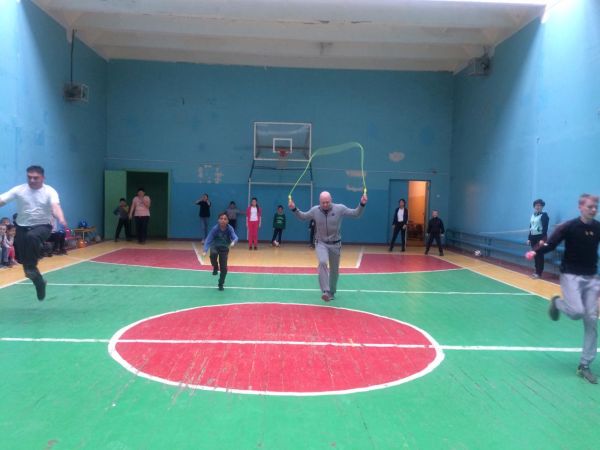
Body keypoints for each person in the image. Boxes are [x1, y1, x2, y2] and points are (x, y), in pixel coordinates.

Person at [525, 194, 600, 384]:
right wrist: (535, 251)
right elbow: (551, 244)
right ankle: (557, 303)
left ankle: (584, 365)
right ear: (580, 207)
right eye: (590, 206)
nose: (594, 209)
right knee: (576, 312)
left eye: (596, 207)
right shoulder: (569, 226)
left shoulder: (598, 227)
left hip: (591, 277)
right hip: (571, 275)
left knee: (591, 320)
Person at [0, 165, 68, 300]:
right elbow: (2, 199)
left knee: (32, 236)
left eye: (35, 178)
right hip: (21, 227)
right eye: (29, 177)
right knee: (27, 270)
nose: (32, 180)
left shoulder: (50, 191)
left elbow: (55, 206)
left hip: (43, 226)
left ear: (43, 178)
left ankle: (34, 262)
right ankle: (39, 282)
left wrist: (61, 218)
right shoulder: (19, 190)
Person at [289, 191, 367, 302]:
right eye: (323, 202)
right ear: (319, 202)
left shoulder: (340, 209)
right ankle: (325, 291)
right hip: (321, 243)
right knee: (322, 262)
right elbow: (303, 216)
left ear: (331, 200)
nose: (325, 204)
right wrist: (294, 209)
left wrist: (362, 204)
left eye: (327, 202)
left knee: (334, 271)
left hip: (335, 244)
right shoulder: (315, 211)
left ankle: (332, 292)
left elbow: (355, 213)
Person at [202, 212, 239, 291]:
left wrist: (233, 242)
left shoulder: (230, 229)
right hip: (215, 246)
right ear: (218, 220)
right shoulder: (215, 229)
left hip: (224, 249)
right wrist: (205, 250)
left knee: (224, 268)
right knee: (213, 254)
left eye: (225, 219)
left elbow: (235, 237)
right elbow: (208, 239)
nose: (223, 220)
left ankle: (221, 283)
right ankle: (215, 266)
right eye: (221, 219)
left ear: (228, 221)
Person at [527, 199, 550, 279]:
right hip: (533, 237)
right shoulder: (533, 215)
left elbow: (545, 228)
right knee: (535, 254)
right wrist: (529, 238)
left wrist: (542, 239)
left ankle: (539, 273)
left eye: (539, 205)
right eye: (536, 205)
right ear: (534, 206)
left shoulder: (544, 215)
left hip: (540, 237)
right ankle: (536, 271)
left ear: (542, 206)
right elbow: (531, 227)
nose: (538, 207)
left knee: (539, 255)